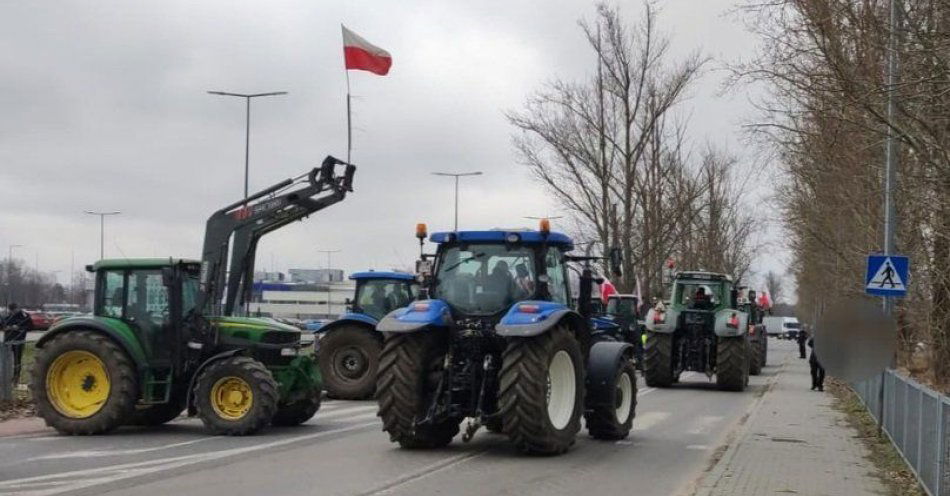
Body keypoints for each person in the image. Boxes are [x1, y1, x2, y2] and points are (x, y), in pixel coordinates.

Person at [1, 303, 33, 385]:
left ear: (17, 308)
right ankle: (5, 377)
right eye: (11, 310)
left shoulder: (24, 317)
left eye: (13, 310)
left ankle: (16, 377)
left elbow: (30, 327)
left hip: (19, 341)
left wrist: (19, 328)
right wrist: (6, 327)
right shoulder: (7, 317)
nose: (12, 312)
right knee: (6, 360)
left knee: (17, 360)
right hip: (8, 341)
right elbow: (2, 326)